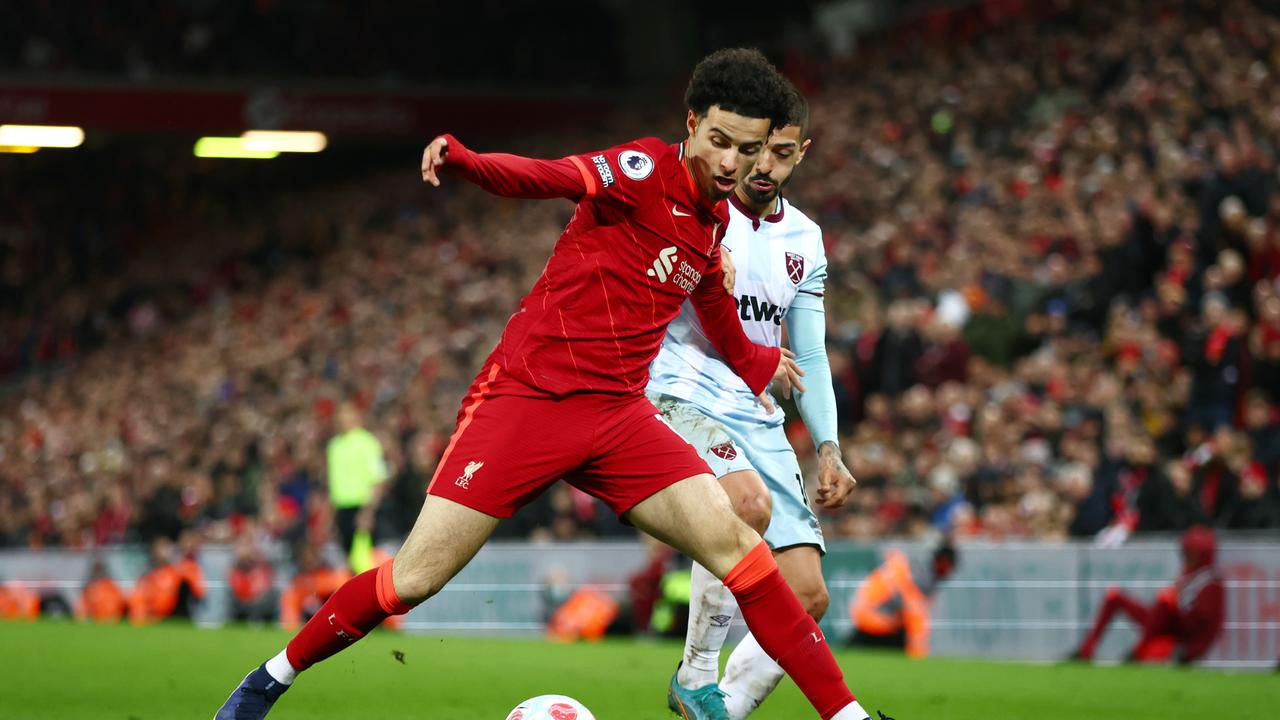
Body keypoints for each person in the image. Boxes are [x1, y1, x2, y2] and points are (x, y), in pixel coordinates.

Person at [216, 48, 888, 720]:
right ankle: (266, 681)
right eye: (717, 141)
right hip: (529, 403)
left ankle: (847, 717)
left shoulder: (711, 234)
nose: (729, 163)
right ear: (691, 124)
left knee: (742, 547)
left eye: (745, 149)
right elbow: (546, 176)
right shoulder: (641, 169)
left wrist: (767, 365)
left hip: (620, 419)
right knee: (415, 579)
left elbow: (730, 336)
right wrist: (467, 160)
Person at [647, 85, 858, 719]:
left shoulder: (806, 240)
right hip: (681, 391)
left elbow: (811, 357)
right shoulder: (697, 205)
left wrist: (828, 446)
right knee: (743, 505)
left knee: (807, 596)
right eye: (758, 151)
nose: (765, 167)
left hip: (757, 413)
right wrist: (701, 258)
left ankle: (719, 712)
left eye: (784, 154)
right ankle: (696, 673)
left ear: (802, 152)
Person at [1071, 525, 1225, 664]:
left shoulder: (1210, 582)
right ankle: (1087, 649)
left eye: (1190, 553)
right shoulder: (1189, 575)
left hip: (1181, 637)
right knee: (1114, 596)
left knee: (1165, 600)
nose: (1186, 557)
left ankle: (1136, 653)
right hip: (1163, 624)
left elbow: (1204, 625)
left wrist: (1189, 652)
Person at [848, 543, 957, 658]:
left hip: (869, 616)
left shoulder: (916, 568)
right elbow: (915, 615)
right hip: (879, 620)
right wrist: (918, 654)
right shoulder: (921, 577)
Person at [326, 402, 389, 568]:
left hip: (361, 507)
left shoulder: (367, 442)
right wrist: (333, 516)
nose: (343, 419)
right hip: (342, 509)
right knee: (349, 561)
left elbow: (378, 479)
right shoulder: (334, 446)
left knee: (364, 561)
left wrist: (368, 512)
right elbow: (333, 482)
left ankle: (373, 593)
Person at [229, 537, 278, 624]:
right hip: (243, 601)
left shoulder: (261, 566)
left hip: (259, 600)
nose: (244, 551)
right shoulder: (235, 569)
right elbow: (236, 587)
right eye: (242, 547)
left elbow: (266, 584)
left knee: (273, 593)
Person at [77, 558, 127, 623]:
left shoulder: (110, 585)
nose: (98, 573)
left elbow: (120, 601)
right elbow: (82, 607)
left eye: (100, 570)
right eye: (96, 570)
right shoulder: (89, 588)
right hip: (98, 620)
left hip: (112, 618)